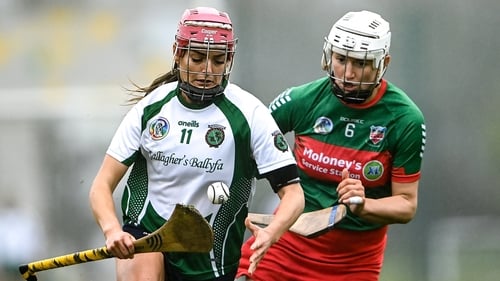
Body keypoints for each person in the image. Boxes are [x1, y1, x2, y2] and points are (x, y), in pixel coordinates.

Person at [88, 6, 304, 281]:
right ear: (178, 54)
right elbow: (101, 186)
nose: (208, 70)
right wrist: (112, 231)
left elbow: (294, 195)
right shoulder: (151, 109)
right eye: (198, 58)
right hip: (147, 236)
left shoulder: (249, 114)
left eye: (218, 60)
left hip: (211, 259)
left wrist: (271, 233)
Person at [237, 10, 426, 281]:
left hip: (355, 260)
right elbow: (244, 151)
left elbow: (407, 205)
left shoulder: (405, 119)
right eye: (341, 59)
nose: (348, 73)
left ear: (383, 62)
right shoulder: (299, 101)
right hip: (286, 246)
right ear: (329, 55)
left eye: (360, 64)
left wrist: (363, 205)